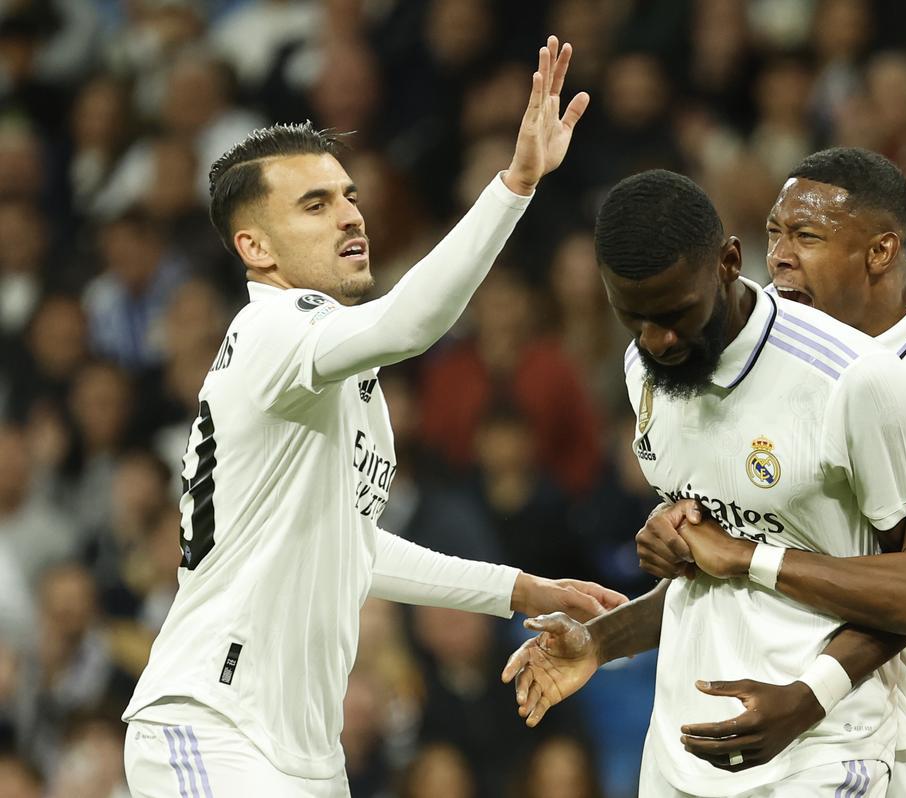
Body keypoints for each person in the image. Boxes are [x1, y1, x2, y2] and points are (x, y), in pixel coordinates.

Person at [122, 37, 625, 798]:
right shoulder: (275, 328)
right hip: (213, 725)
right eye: (315, 204)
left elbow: (350, 545)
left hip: (306, 754)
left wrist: (519, 588)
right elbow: (413, 324)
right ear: (254, 246)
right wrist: (515, 184)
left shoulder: (335, 368)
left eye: (349, 196)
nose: (348, 215)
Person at [509, 150, 906, 796]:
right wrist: (612, 626)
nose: (780, 255)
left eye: (806, 235)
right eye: (775, 232)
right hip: (761, 732)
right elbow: (726, 576)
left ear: (880, 251)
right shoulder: (693, 361)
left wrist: (805, 673)